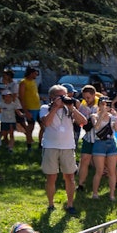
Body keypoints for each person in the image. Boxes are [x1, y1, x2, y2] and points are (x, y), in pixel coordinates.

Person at [39, 85, 88, 214]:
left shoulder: (69, 109)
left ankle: (70, 204)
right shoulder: (45, 108)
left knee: (70, 177)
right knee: (51, 177)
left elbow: (84, 122)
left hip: (68, 147)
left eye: (65, 96)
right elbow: (46, 123)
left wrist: (72, 108)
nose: (64, 98)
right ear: (52, 97)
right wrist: (55, 107)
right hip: (50, 147)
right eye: (60, 96)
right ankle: (51, 204)